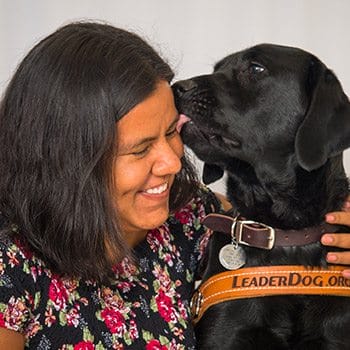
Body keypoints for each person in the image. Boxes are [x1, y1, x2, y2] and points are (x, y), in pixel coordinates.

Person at [0, 21, 349, 349]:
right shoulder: (11, 267)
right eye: (139, 150)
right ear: (68, 158)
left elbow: (282, 222)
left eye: (171, 132)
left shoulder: (189, 220)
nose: (172, 163)